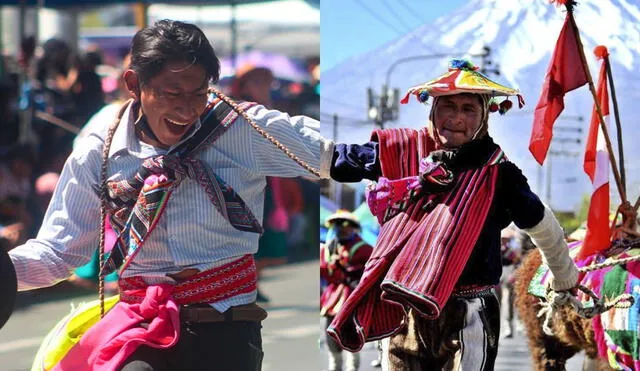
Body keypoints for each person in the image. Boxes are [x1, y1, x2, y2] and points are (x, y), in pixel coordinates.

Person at [6, 20, 331, 371]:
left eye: (198, 93)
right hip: (142, 326)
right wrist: (4, 270)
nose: (187, 110)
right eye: (173, 94)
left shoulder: (241, 129)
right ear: (134, 84)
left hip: (229, 328)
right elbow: (59, 252)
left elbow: (329, 153)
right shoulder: (100, 151)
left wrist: (391, 150)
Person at [326, 59, 580, 370]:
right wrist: (283, 141)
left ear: (484, 118)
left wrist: (565, 279)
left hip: (469, 312)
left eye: (468, 109)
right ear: (432, 111)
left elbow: (544, 227)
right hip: (406, 312)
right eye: (448, 106)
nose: (457, 117)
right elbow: (340, 160)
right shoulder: (402, 152)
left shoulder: (500, 175)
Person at [320, 210, 373, 371]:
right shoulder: (329, 247)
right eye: (338, 225)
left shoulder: (363, 248)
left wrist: (345, 267)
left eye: (345, 225)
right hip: (332, 298)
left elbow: (367, 272)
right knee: (331, 341)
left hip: (352, 297)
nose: (342, 229)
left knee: (351, 339)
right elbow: (324, 271)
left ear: (353, 228)